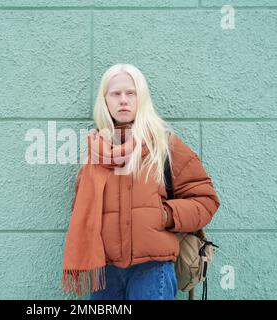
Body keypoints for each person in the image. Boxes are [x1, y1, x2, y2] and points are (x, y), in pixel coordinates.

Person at [62, 63, 220, 300]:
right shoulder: (95, 152)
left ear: (141, 98)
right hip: (105, 273)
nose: (123, 100)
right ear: (105, 101)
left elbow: (206, 200)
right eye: (115, 94)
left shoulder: (165, 145)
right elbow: (82, 210)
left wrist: (165, 214)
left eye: (131, 93)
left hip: (153, 270)